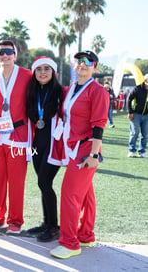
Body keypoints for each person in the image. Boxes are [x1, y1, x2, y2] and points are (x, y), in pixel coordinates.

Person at [50, 50, 109, 259]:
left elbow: (98, 124)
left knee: (70, 194)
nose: (82, 64)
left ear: (95, 67)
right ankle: (86, 234)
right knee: (86, 194)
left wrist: (94, 155)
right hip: (73, 147)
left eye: (88, 61)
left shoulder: (98, 90)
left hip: (86, 150)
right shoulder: (71, 88)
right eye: (78, 61)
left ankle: (70, 243)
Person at [0, 40, 32, 234]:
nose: (5, 55)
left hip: (18, 135)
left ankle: (16, 220)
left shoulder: (27, 75)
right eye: (1, 52)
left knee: (17, 180)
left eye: (8, 52)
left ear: (15, 54)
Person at [26, 57, 67, 242]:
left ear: (53, 72)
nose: (43, 72)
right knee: (43, 184)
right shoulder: (33, 92)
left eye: (47, 69)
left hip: (54, 144)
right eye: (39, 69)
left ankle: (54, 226)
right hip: (37, 144)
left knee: (44, 182)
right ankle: (46, 223)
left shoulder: (61, 92)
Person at [126, 74, 148, 158]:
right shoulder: (138, 88)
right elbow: (129, 98)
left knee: (145, 134)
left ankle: (141, 151)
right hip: (136, 114)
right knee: (134, 132)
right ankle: (131, 150)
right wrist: (130, 111)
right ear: (145, 81)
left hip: (147, 115)